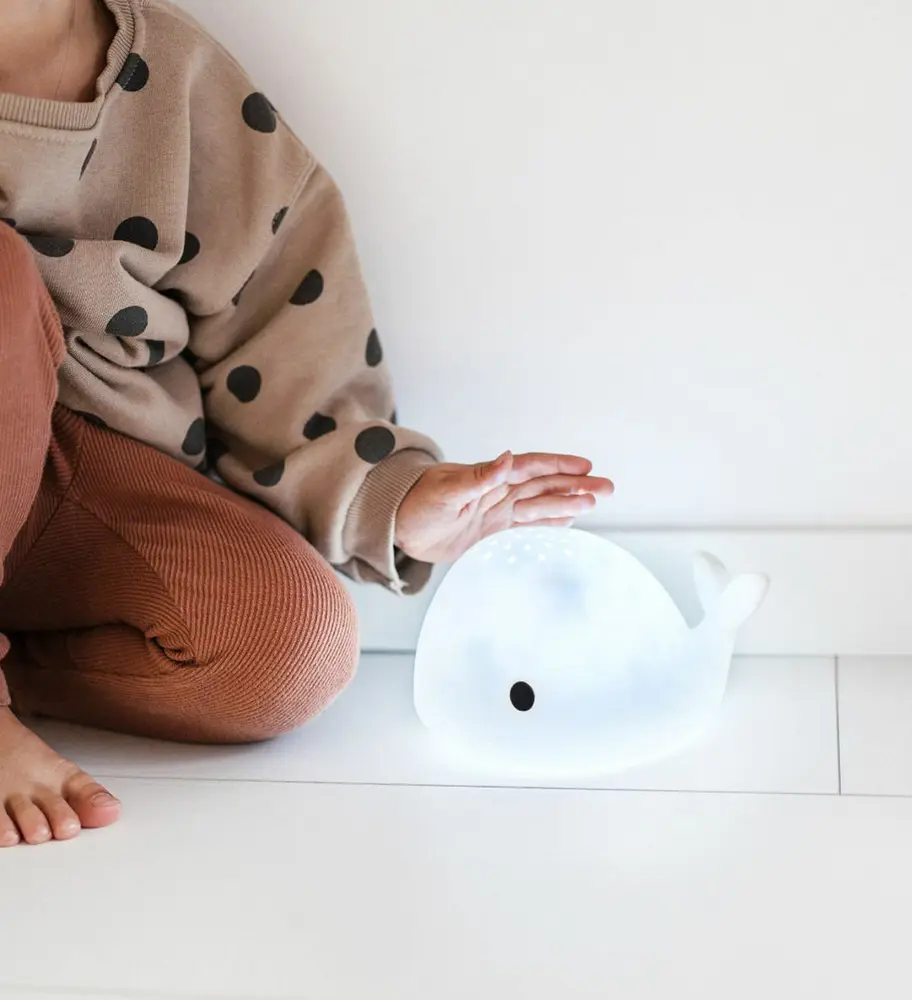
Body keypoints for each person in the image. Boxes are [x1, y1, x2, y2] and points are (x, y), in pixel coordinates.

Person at [0, 0, 614, 847]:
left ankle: (18, 677)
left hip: (90, 483)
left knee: (290, 644)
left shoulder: (178, 83)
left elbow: (280, 326)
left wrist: (396, 500)